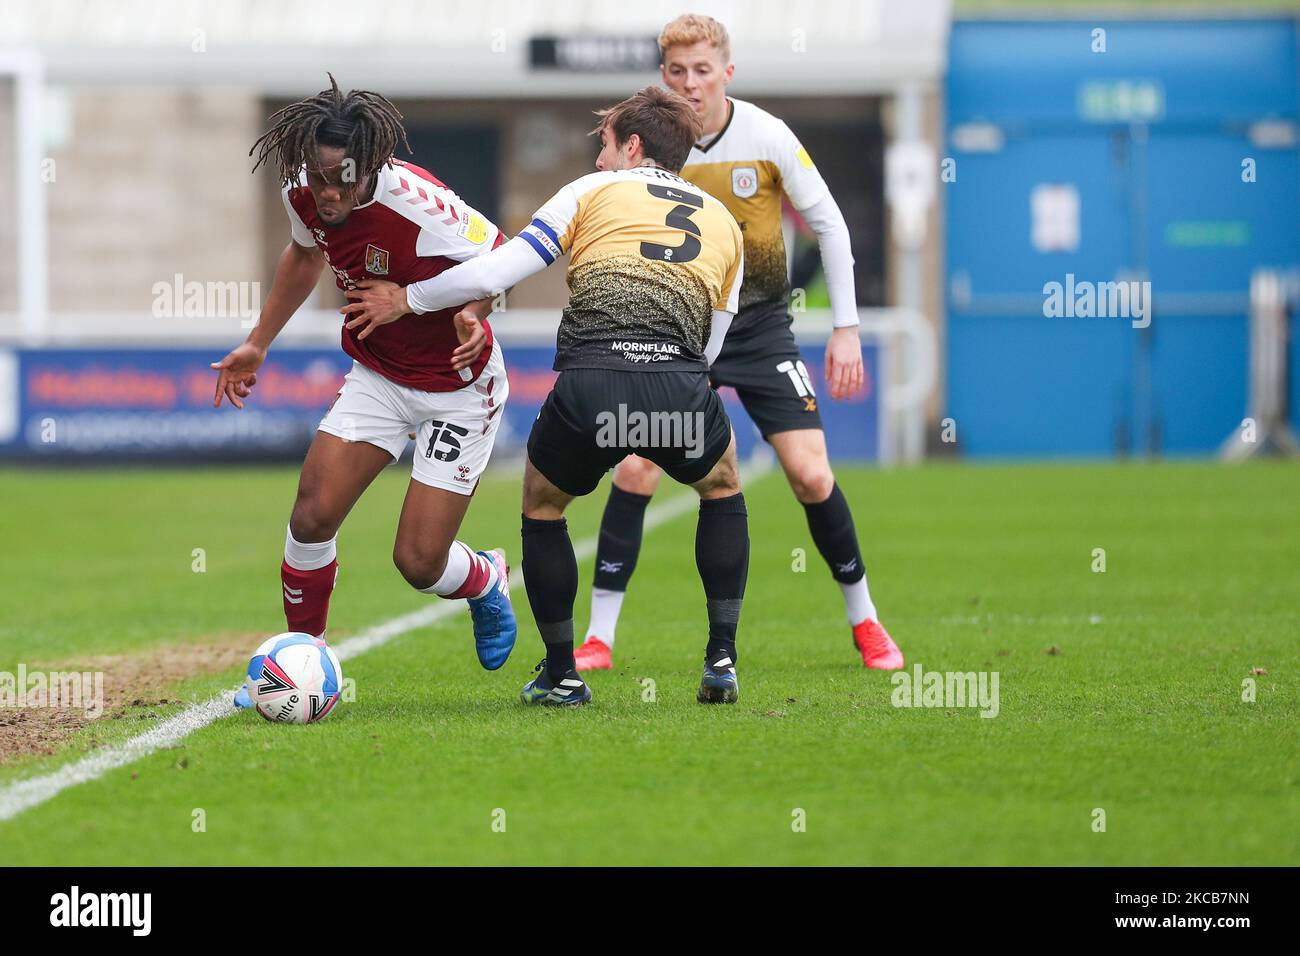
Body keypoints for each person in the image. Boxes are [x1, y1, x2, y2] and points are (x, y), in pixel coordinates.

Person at [343, 87, 748, 706]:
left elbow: (497, 270)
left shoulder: (590, 193)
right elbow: (712, 346)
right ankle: (721, 659)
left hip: (591, 384)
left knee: (543, 502)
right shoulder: (724, 221)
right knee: (720, 486)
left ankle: (561, 673)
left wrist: (410, 299)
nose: (598, 160)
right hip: (679, 385)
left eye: (605, 146)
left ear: (633, 146)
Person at [574, 14, 904, 672]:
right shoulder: (654, 146)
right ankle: (599, 637)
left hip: (759, 332)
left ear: (727, 70)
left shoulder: (767, 135)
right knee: (637, 466)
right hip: (683, 330)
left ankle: (865, 620)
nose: (691, 85)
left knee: (811, 475)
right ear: (661, 76)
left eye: (703, 70)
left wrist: (845, 328)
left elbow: (829, 225)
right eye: (677, 72)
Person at [211, 75, 517, 699]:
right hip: (379, 375)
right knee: (312, 514)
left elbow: (507, 262)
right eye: (317, 177)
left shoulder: (420, 205)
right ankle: (300, 658)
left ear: (371, 164)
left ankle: (484, 579)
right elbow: (304, 256)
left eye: (340, 180)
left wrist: (469, 313)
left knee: (418, 563)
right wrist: (258, 341)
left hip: (459, 386)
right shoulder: (303, 190)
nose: (326, 192)